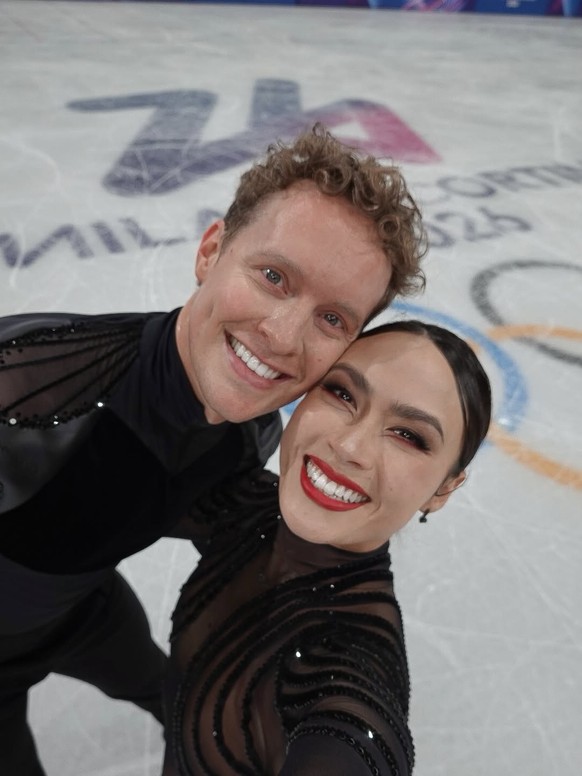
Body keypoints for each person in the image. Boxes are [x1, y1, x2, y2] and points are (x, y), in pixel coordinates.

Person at [0, 124, 427, 776]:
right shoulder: (30, 388)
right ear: (210, 252)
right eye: (274, 276)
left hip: (86, 609)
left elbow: (261, 540)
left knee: (173, 696)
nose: (283, 337)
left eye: (332, 318)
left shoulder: (254, 431)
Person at [162, 319, 492, 775]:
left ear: (444, 489)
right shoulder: (247, 505)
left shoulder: (350, 669)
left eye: (409, 436)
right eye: (341, 393)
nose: (349, 445)